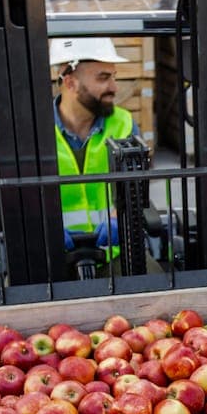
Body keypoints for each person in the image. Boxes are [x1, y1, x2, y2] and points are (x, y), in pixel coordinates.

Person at [49, 36, 134, 259]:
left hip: (114, 254)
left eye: (114, 77)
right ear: (70, 83)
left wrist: (119, 219)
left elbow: (134, 187)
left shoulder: (123, 123)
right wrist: (44, 229)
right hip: (51, 257)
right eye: (103, 78)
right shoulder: (33, 132)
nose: (114, 87)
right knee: (18, 291)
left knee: (156, 287)